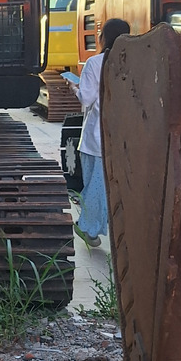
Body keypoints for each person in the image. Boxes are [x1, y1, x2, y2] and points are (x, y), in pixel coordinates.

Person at [74, 17, 131, 247]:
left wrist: (74, 89)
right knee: (105, 186)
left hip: (96, 137)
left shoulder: (96, 63)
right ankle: (93, 231)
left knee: (95, 185)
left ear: (103, 37)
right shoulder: (132, 63)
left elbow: (86, 98)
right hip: (123, 137)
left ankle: (86, 226)